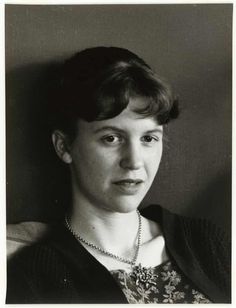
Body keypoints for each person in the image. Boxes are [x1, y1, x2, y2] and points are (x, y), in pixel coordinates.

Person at [6, 47, 230, 304]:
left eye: (148, 138)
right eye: (111, 138)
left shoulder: (205, 241)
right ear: (64, 146)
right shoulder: (38, 276)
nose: (134, 161)